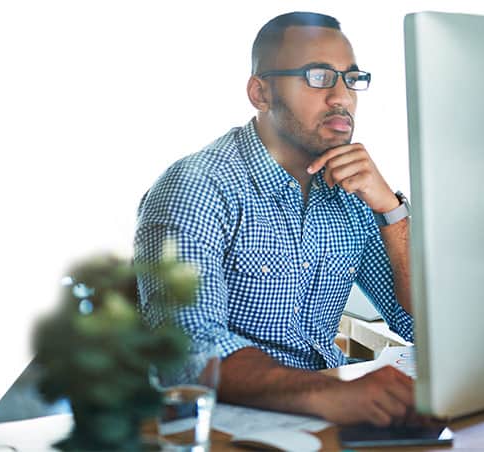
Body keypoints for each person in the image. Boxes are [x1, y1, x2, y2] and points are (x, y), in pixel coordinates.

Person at [135, 11, 414, 426]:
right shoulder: (196, 187)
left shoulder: (353, 190)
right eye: (319, 76)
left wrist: (392, 210)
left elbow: (421, 324)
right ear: (260, 93)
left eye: (351, 79)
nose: (341, 97)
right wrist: (330, 393)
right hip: (219, 426)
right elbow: (190, 351)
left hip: (322, 417)